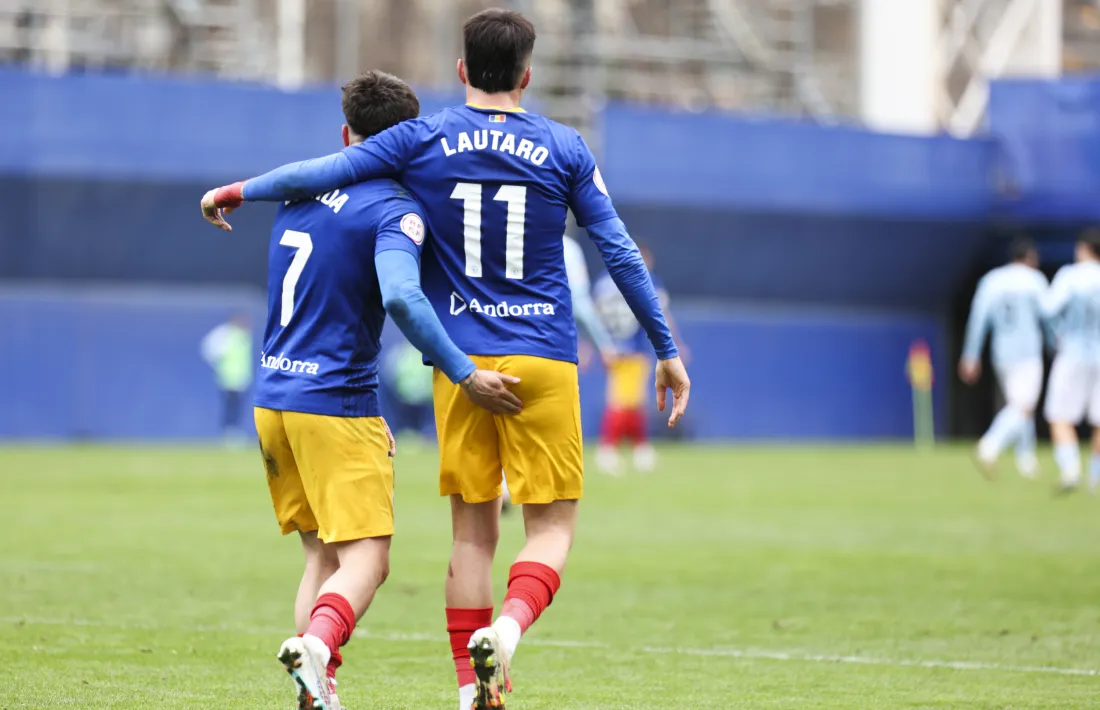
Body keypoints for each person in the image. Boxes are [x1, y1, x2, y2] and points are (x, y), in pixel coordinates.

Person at [199, 10, 691, 709]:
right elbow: (616, 248)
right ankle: (510, 633)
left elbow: (327, 169)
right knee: (550, 529)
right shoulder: (566, 147)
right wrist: (665, 349)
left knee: (472, 537)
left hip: (460, 359)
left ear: (461, 70)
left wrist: (239, 190)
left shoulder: (425, 136)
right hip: (544, 358)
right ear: (527, 74)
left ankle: (469, 688)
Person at [247, 71, 520, 710]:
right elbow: (400, 294)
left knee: (322, 556)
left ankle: (317, 690)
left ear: (348, 135)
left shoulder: (300, 196)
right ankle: (317, 648)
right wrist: (461, 370)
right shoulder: (393, 211)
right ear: (409, 142)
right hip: (334, 404)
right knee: (368, 560)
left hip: (273, 400)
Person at [958, 237, 1048, 479]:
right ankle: (989, 445)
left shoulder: (992, 280)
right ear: (1030, 259)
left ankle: (1026, 460)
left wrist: (970, 354)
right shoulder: (1034, 280)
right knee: (1023, 406)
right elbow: (1048, 316)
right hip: (1028, 352)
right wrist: (1054, 343)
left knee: (1018, 406)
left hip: (1002, 353)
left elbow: (978, 319)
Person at [593, 244, 687, 474]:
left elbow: (592, 315)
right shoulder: (644, 278)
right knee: (623, 400)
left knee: (631, 399)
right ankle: (609, 448)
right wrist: (676, 345)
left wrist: (591, 345)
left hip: (610, 347)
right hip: (633, 348)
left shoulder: (603, 281)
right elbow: (661, 313)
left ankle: (639, 448)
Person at [1042, 228, 1100, 493]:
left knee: (1059, 414)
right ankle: (1095, 478)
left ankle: (1071, 469)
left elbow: (1048, 309)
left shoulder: (1070, 276)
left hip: (1074, 352)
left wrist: (1056, 335)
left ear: (1082, 248)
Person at [200, 312, 253, 443]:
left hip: (242, 379)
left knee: (238, 407)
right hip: (228, 379)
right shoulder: (225, 334)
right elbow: (209, 349)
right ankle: (228, 433)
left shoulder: (244, 337)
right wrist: (218, 366)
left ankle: (234, 432)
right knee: (230, 407)